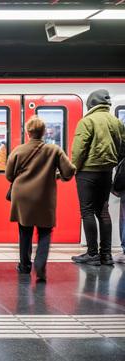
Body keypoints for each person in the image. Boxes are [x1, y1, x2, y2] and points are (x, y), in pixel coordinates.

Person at [6, 116, 76, 282]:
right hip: (44, 196)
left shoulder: (18, 150)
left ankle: (24, 266)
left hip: (22, 195)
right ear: (44, 132)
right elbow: (69, 171)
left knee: (24, 230)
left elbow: (9, 176)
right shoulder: (54, 150)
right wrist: (56, 176)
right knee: (45, 231)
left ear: (28, 132)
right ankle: (40, 266)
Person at [71, 90, 125, 266]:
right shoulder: (117, 122)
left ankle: (92, 254)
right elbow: (123, 148)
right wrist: (112, 163)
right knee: (103, 211)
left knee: (87, 211)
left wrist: (74, 168)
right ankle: (106, 255)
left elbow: (79, 150)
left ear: (91, 104)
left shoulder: (87, 121)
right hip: (106, 172)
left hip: (87, 172)